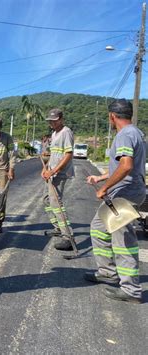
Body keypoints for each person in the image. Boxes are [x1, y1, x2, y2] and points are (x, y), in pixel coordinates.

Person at [85, 99, 145, 304]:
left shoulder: (124, 135)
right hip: (128, 191)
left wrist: (103, 188)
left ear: (112, 116)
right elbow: (123, 167)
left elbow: (126, 166)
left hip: (125, 194)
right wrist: (100, 178)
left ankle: (131, 289)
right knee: (98, 227)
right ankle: (108, 272)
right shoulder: (135, 132)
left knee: (123, 240)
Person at [41, 108, 75, 250]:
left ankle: (67, 237)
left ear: (61, 119)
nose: (52, 123)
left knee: (56, 203)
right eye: (50, 121)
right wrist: (46, 167)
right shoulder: (54, 134)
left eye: (54, 121)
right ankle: (58, 228)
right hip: (52, 172)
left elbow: (68, 154)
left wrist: (54, 170)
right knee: (46, 200)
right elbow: (54, 155)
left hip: (60, 173)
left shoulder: (66, 132)